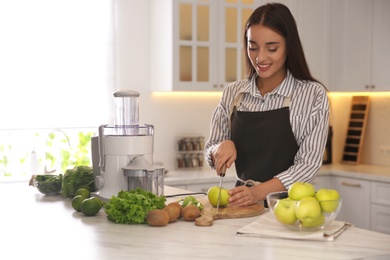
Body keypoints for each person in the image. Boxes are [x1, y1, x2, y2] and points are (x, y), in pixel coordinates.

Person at [204, 3, 330, 207]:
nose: (260, 57)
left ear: (289, 46)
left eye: (272, 48)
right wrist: (219, 147)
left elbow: (307, 166)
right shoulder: (233, 93)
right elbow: (210, 149)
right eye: (252, 47)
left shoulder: (312, 95)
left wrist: (258, 193)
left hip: (293, 207)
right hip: (244, 204)